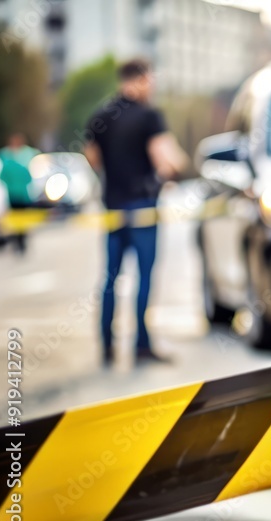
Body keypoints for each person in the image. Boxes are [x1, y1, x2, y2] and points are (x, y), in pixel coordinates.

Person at [84, 58, 188, 365]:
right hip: (143, 206)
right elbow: (166, 162)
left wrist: (113, 177)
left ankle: (107, 345)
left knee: (111, 277)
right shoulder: (149, 116)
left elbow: (91, 156)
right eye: (151, 79)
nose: (152, 85)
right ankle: (141, 345)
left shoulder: (101, 115)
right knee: (143, 276)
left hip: (113, 207)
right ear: (141, 79)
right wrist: (175, 166)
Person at [0, 133, 40, 254]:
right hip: (13, 195)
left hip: (23, 195)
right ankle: (17, 242)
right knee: (15, 220)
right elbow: (2, 177)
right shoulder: (6, 157)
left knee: (23, 220)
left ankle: (22, 242)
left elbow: (29, 176)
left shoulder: (25, 156)